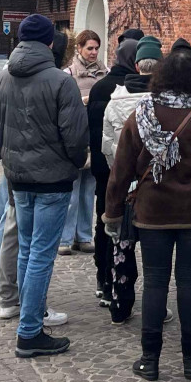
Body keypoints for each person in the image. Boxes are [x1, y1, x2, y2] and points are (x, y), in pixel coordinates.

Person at [105, 48, 191, 381]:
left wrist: (112, 212)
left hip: (153, 212)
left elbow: (121, 169)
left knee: (155, 282)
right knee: (190, 282)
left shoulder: (142, 113)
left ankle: (150, 360)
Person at [0, 12, 89, 359]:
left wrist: (9, 158)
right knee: (40, 254)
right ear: (49, 42)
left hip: (18, 177)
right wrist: (73, 163)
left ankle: (31, 318)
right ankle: (29, 330)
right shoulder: (61, 81)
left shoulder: (1, 78)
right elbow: (76, 137)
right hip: (52, 180)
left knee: (28, 250)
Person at [101, 37, 162, 321]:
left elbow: (107, 145)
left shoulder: (115, 101)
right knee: (155, 253)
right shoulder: (164, 103)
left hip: (125, 184)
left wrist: (120, 174)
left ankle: (120, 305)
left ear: (136, 66)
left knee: (123, 247)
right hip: (155, 186)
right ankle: (155, 308)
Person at [85, 29, 142, 307]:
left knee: (104, 220)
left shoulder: (100, 87)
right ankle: (120, 281)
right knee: (129, 225)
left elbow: (93, 131)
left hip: (103, 166)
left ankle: (103, 277)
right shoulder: (137, 89)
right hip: (129, 170)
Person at [61, 29, 106, 255]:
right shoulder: (68, 74)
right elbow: (64, 104)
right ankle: (65, 238)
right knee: (72, 190)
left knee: (89, 190)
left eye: (96, 48)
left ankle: (84, 236)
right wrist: (84, 100)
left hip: (95, 136)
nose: (93, 52)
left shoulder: (105, 73)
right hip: (76, 136)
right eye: (89, 48)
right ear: (79, 48)